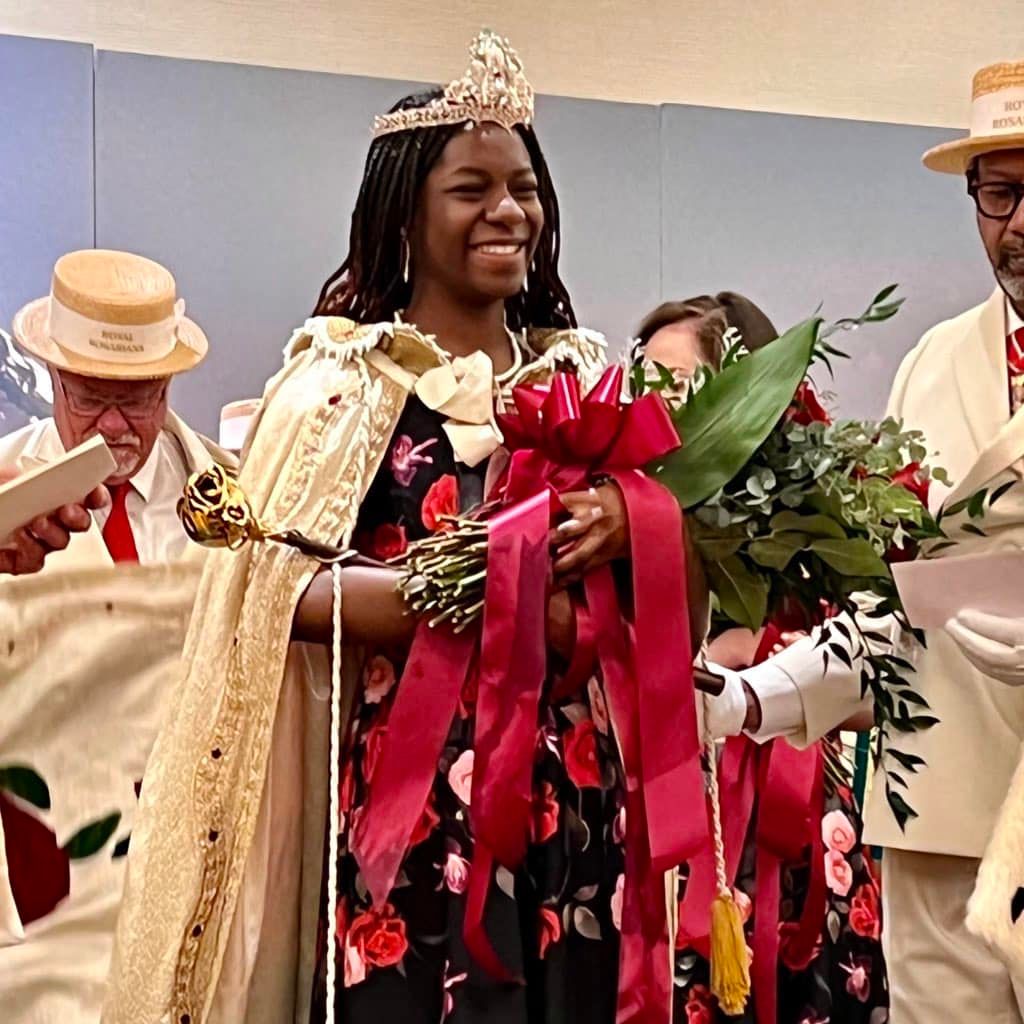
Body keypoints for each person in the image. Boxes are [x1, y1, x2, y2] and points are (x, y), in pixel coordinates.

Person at [103, 31, 708, 1024]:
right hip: (413, 800)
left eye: (524, 189)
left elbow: (675, 616)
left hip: (574, 797)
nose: (508, 211)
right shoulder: (337, 386)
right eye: (472, 189)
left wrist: (639, 519)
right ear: (405, 216)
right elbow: (268, 590)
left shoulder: (588, 381)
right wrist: (471, 590)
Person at [694, 61, 1024, 1024]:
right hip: (939, 819)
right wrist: (757, 697)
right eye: (1000, 194)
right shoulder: (933, 364)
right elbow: (893, 604)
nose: (1020, 224)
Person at [635, 293, 888, 1021]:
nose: (655, 401)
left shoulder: (805, 531)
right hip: (663, 815)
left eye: (677, 383)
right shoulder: (617, 520)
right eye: (643, 378)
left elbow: (881, 672)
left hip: (783, 812)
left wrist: (767, 659)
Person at [0, 248, 231, 1022]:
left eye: (136, 401)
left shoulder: (235, 497)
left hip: (197, 872)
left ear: (169, 386)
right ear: (52, 378)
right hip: (53, 875)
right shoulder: (2, 492)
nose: (111, 427)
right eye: (89, 397)